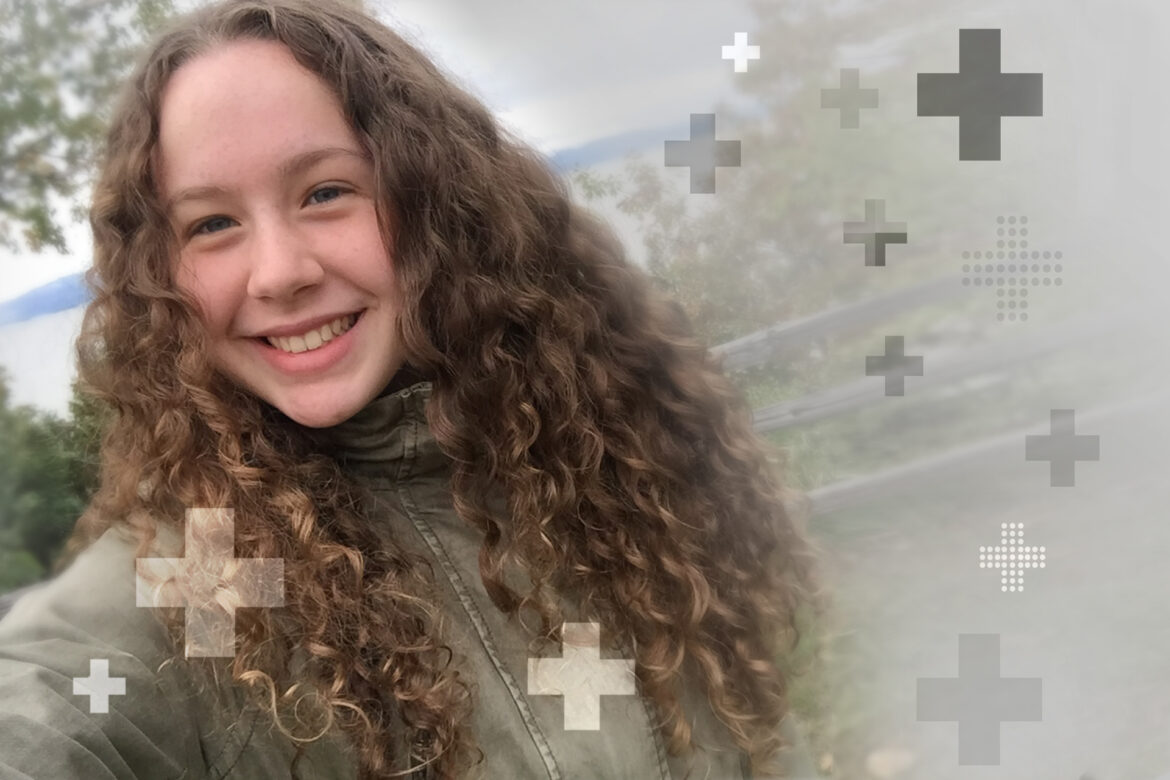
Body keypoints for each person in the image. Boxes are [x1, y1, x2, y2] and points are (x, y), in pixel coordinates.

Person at [0, 1, 822, 777]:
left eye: (326, 192)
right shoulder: (205, 578)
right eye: (212, 224)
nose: (280, 273)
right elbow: (57, 701)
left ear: (434, 199)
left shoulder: (600, 444)